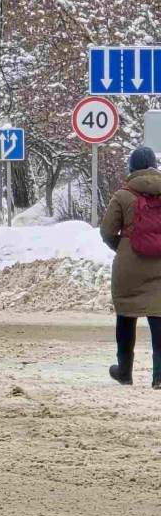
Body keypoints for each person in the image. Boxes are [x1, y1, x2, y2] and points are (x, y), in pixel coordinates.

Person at [100, 145, 161, 387]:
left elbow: (106, 231)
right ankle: (159, 377)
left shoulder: (122, 195)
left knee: (125, 314)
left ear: (131, 168)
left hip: (129, 265)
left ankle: (124, 371)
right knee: (159, 316)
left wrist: (123, 246)